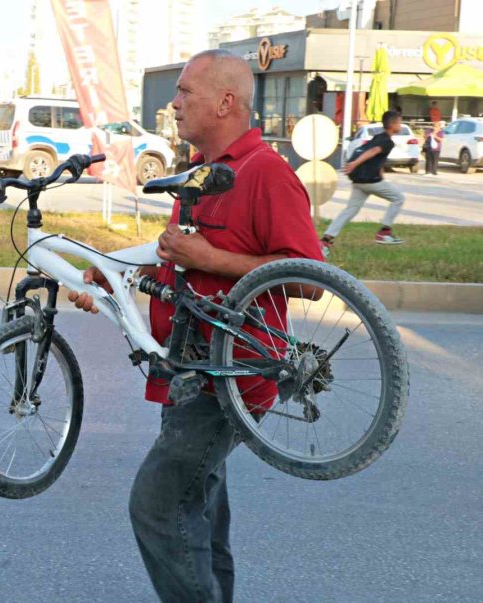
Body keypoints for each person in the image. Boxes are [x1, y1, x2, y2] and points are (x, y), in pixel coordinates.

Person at [68, 49, 324, 603]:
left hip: (230, 379)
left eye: (186, 92)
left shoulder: (265, 173)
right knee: (199, 517)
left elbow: (310, 280)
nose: (174, 103)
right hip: (187, 369)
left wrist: (210, 257)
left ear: (226, 102)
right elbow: (179, 260)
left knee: (157, 506)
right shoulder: (203, 173)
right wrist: (117, 273)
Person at [320, 110, 406, 255]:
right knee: (398, 198)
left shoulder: (378, 137)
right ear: (392, 124)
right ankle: (384, 232)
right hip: (370, 182)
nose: (400, 125)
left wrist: (378, 174)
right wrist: (355, 163)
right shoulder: (387, 141)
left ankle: (325, 240)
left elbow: (377, 160)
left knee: (350, 210)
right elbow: (373, 151)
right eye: (399, 122)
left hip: (358, 181)